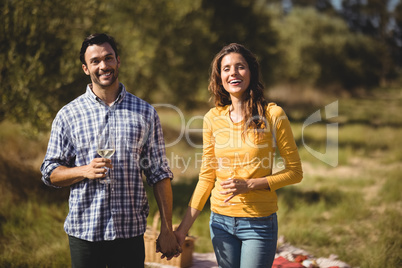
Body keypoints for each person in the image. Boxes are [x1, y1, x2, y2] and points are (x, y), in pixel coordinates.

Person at [40, 33, 181, 268]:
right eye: (95, 61)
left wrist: (167, 229)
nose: (103, 65)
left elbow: (160, 174)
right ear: (86, 68)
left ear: (118, 61)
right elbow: (49, 172)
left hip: (129, 234)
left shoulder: (145, 112)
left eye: (108, 58)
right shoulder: (68, 115)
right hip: (84, 233)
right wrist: (83, 170)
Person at [174, 43, 303, 268]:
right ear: (219, 78)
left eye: (240, 67)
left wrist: (250, 185)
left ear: (250, 72)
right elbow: (206, 177)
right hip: (220, 222)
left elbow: (295, 172)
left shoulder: (273, 114)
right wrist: (182, 230)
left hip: (259, 223)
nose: (233, 73)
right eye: (226, 69)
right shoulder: (212, 118)